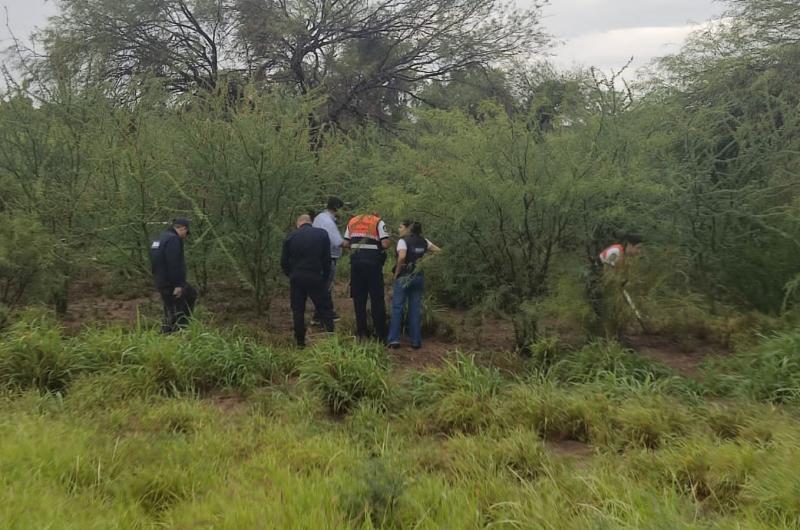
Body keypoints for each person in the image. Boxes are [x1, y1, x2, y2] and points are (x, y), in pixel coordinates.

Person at [281, 214, 335, 347]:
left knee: (298, 309)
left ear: (298, 224)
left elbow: (284, 261)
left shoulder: (291, 236)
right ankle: (331, 338)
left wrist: (291, 274)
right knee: (324, 307)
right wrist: (325, 276)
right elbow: (327, 259)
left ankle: (300, 342)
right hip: (315, 275)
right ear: (310, 222)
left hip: (297, 277)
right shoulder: (322, 234)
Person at [387, 221, 441, 349]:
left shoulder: (403, 241)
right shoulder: (424, 241)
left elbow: (401, 257)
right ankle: (416, 341)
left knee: (397, 308)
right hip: (418, 276)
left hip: (404, 277)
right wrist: (424, 262)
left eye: (401, 227)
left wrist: (396, 274)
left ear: (408, 229)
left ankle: (394, 340)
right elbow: (439, 251)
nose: (399, 229)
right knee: (415, 310)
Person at [343, 212, 390, 341]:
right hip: (373, 264)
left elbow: (345, 243)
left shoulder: (352, 222)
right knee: (377, 300)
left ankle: (362, 333)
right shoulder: (378, 221)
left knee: (359, 300)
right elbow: (385, 244)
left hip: (356, 264)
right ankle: (381, 334)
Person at [149, 217, 197, 333]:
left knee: (172, 306)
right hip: (171, 281)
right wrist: (178, 284)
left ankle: (170, 333)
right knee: (182, 303)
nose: (185, 236)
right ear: (183, 229)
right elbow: (175, 263)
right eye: (186, 232)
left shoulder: (159, 238)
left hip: (161, 279)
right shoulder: (174, 240)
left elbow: (155, 260)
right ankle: (178, 330)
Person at [311, 196, 345, 323]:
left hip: (317, 256)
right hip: (329, 258)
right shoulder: (329, 222)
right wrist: (354, 244)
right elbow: (338, 242)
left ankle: (321, 313)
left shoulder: (320, 217)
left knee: (322, 285)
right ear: (337, 209)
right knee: (326, 286)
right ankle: (324, 314)